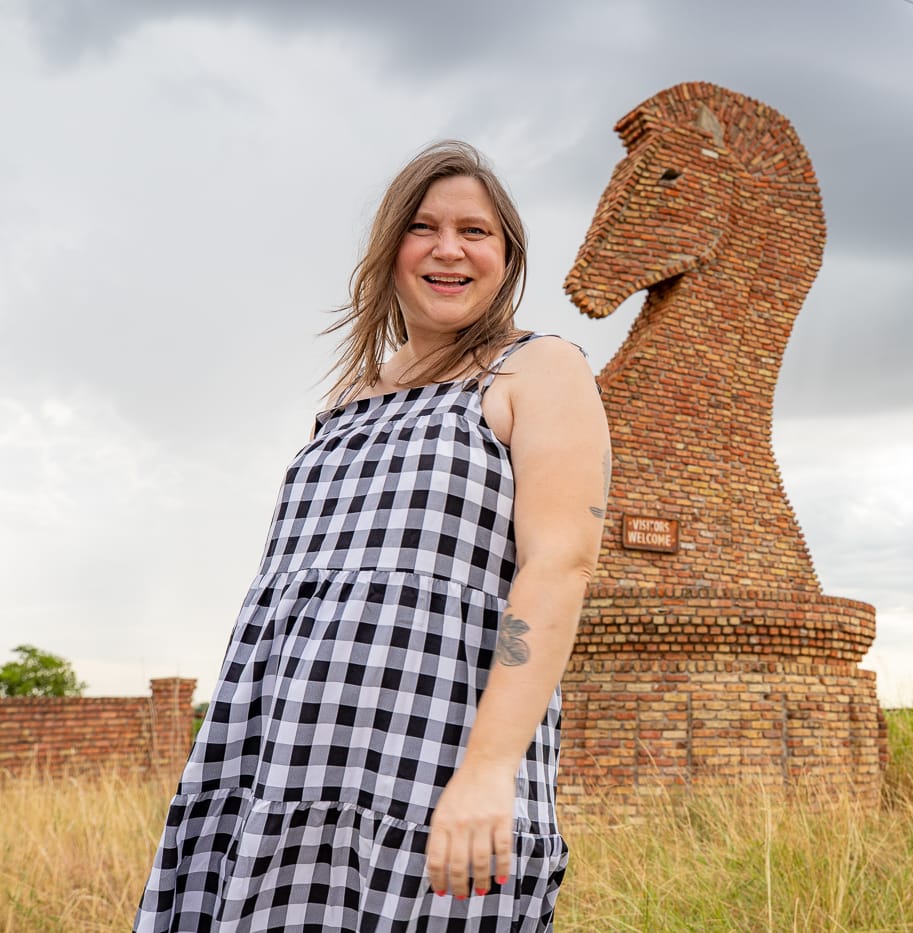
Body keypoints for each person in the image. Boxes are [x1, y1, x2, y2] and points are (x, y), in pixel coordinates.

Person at [134, 141, 610, 931]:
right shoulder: (347, 397)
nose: (449, 248)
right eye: (423, 226)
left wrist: (490, 769)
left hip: (434, 769)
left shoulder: (540, 369)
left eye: (476, 231)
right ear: (389, 249)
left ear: (508, 256)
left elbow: (560, 564)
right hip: (283, 763)